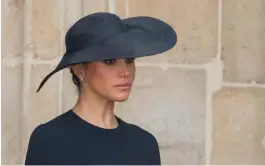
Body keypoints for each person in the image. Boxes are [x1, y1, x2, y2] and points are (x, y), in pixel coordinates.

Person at [25, 12, 177, 165]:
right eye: (109, 61)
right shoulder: (49, 140)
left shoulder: (144, 144)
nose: (125, 71)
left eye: (129, 60)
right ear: (80, 70)